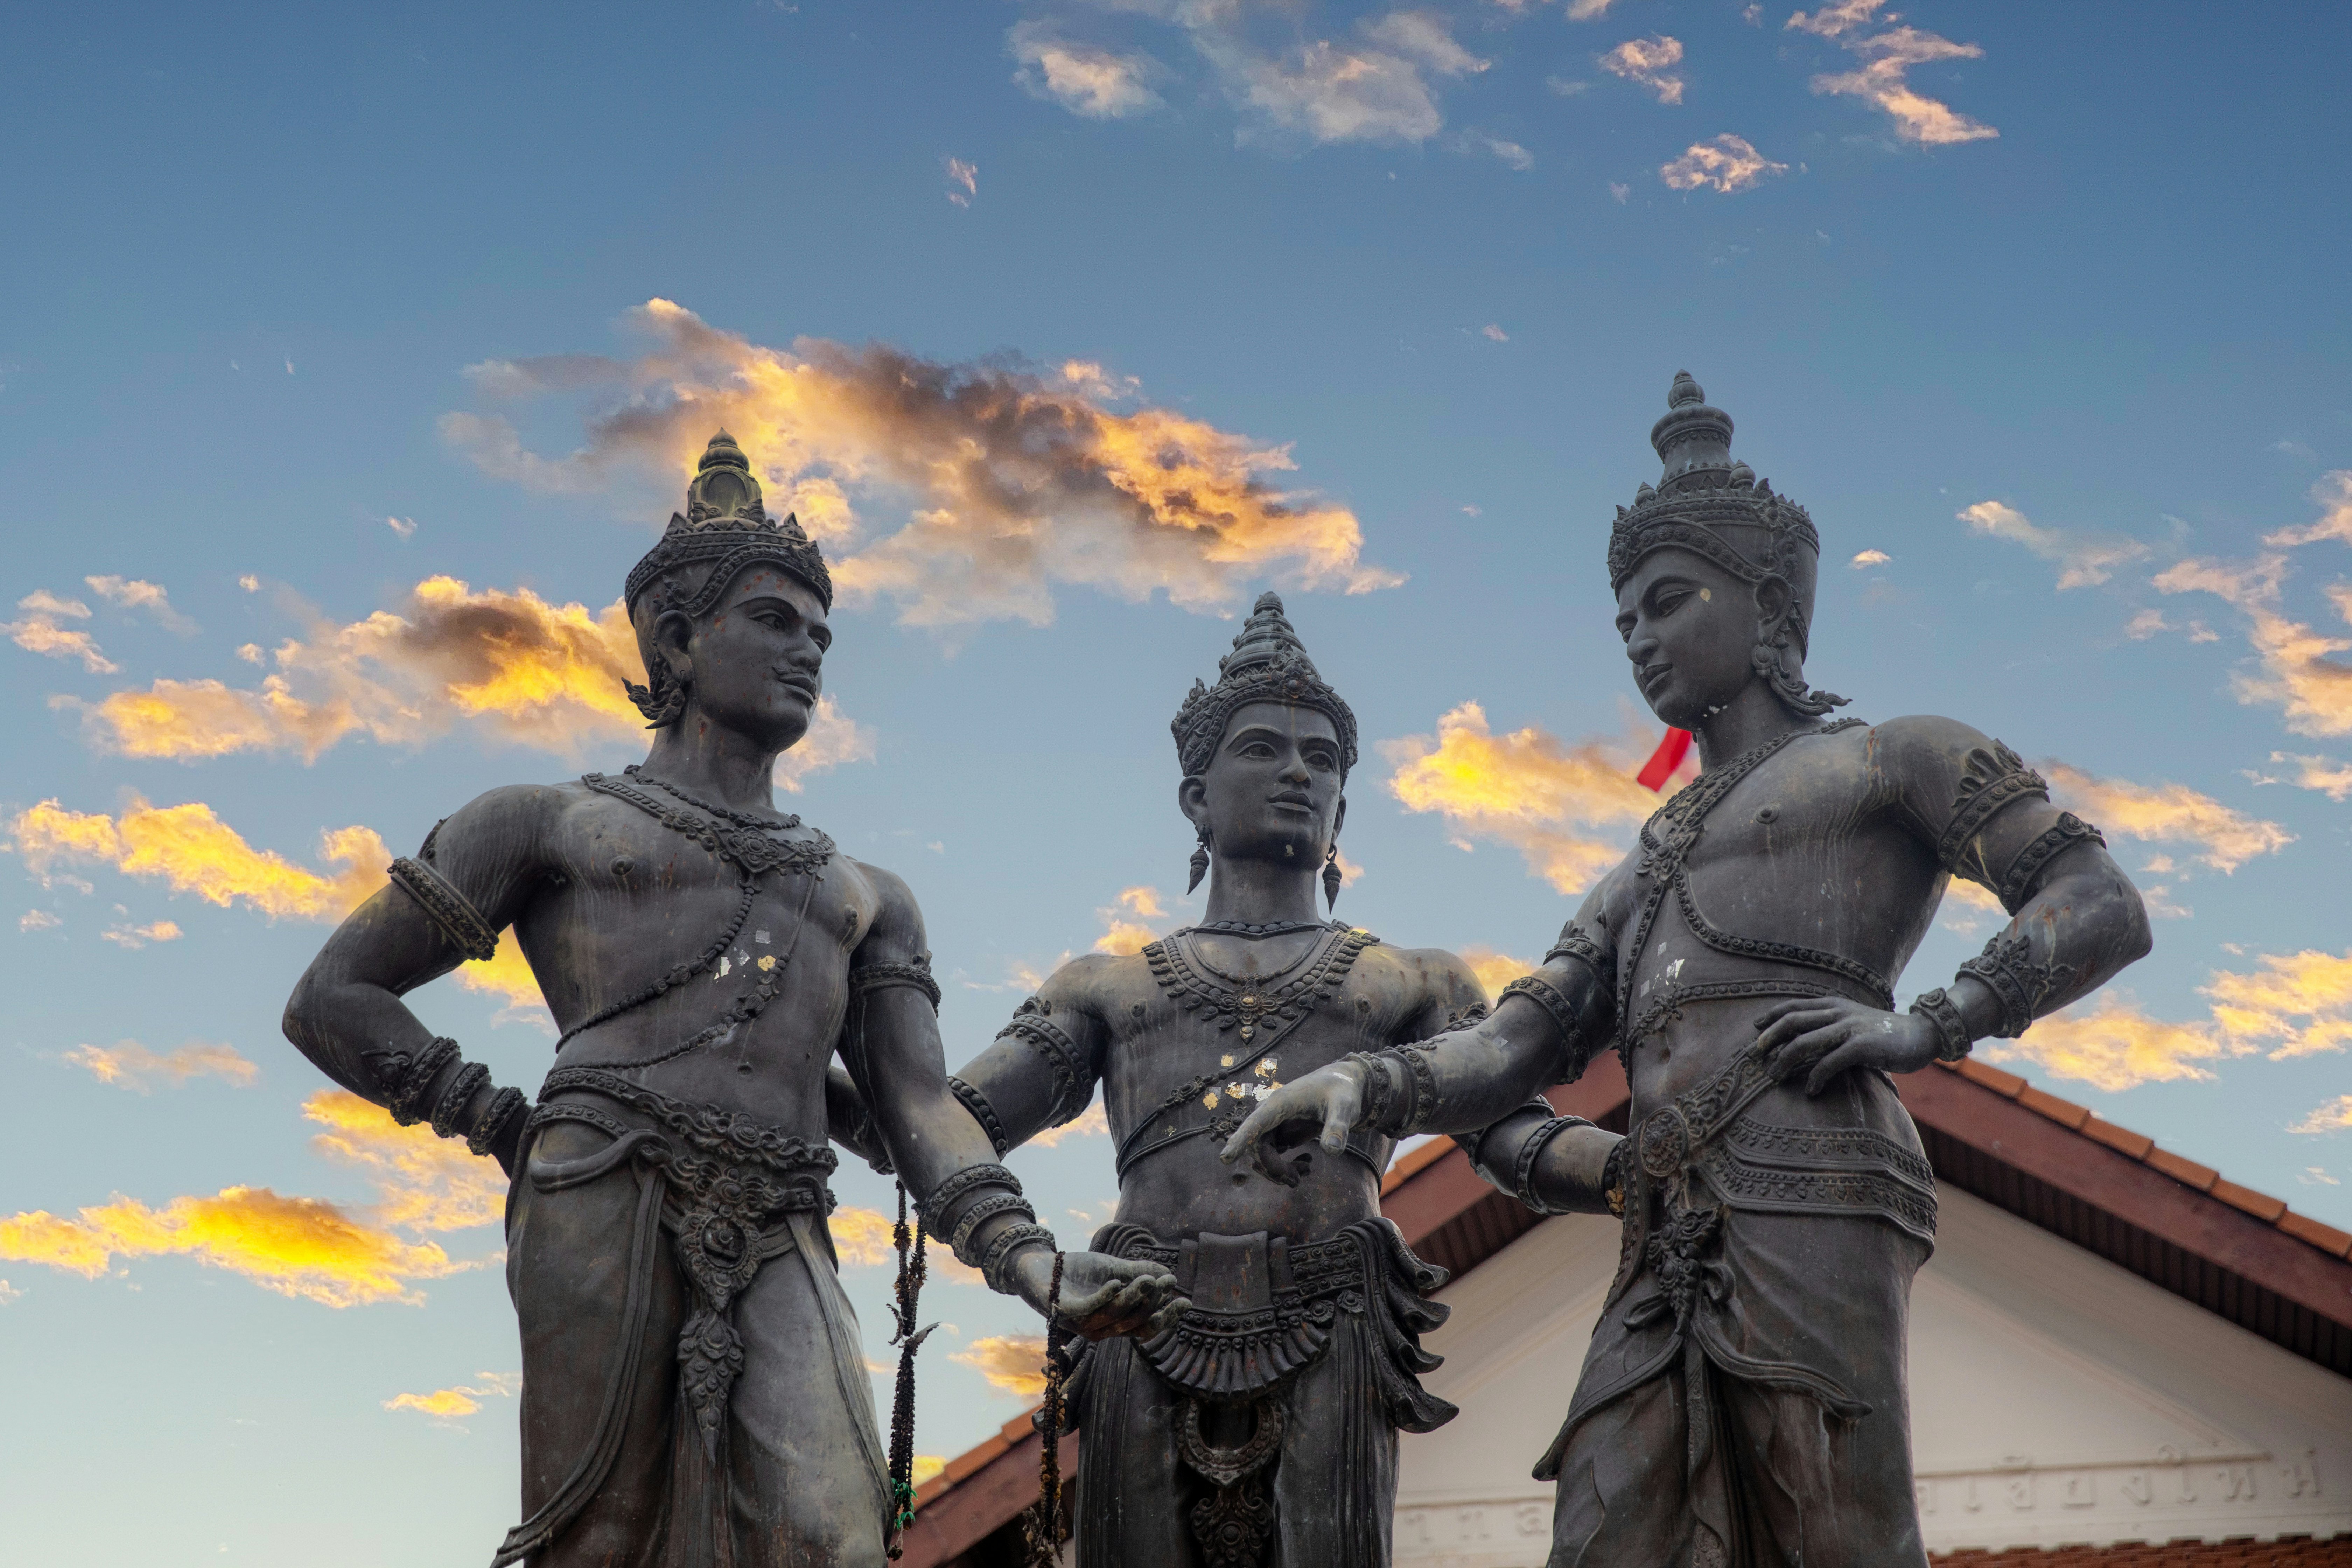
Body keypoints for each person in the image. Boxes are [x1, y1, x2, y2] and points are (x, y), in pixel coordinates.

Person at [1222, 376, 2152, 1568]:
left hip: (1817, 1175)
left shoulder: (1892, 759)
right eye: (1624, 625)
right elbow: (1518, 1042)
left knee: (1831, 1526)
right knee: (1608, 1525)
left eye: (1667, 603)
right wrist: (1374, 1086)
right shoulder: (1642, 860)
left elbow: (2098, 903)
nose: (1642, 642)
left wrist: (1936, 1022)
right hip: (1663, 1221)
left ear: (1768, 602)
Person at [282, 433, 1181, 1568]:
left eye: (821, 632)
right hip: (599, 1187)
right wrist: (500, 1124)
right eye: (773, 620)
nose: (808, 650)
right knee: (600, 1536)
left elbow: (920, 1106)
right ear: (676, 636)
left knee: (831, 1536)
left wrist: (1030, 1260)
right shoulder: (545, 821)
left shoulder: (866, 895)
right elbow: (333, 998)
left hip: (785, 1218)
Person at [943, 593, 1486, 1568]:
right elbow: (943, 1127)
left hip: (1338, 1302)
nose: (1296, 772)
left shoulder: (1414, 980)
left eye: (1322, 759)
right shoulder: (1109, 987)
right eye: (1264, 750)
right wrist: (798, 1072)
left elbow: (1515, 1130)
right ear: (1195, 795)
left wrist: (1640, 1163)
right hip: (1141, 1312)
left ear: (1344, 810)